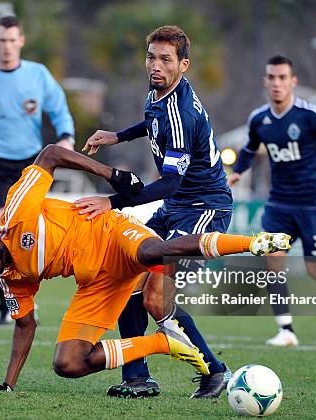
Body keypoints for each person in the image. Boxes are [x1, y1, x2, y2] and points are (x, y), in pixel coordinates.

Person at [0, 144, 291, 392]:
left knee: (156, 254)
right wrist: (8, 384)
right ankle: (162, 344)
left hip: (112, 233)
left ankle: (253, 244)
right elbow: (25, 325)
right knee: (67, 364)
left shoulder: (17, 208)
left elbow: (51, 153)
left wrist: (110, 174)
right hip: (96, 283)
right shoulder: (11, 280)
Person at [78, 26, 233, 399]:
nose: (156, 65)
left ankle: (215, 370)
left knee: (154, 299)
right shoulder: (158, 92)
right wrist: (117, 136)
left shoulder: (183, 112)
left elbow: (170, 183)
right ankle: (137, 377)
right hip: (176, 208)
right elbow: (152, 122)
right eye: (152, 57)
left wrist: (111, 202)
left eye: (166, 59)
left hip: (203, 209)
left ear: (184, 65)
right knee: (124, 276)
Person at [228, 55, 316, 347]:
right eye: (271, 77)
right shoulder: (259, 119)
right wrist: (238, 172)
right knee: (273, 263)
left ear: (293, 81)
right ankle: (286, 330)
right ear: (265, 81)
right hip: (278, 204)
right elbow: (250, 149)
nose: (277, 83)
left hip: (312, 204)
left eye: (282, 78)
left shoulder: (309, 114)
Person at [0, 15, 75, 325]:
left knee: (29, 234)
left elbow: (59, 106)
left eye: (12, 40)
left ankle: (25, 300)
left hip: (30, 164)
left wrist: (66, 137)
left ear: (20, 41)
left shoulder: (38, 75)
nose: (7, 46)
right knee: (0, 231)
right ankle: (8, 307)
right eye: (1, 40)